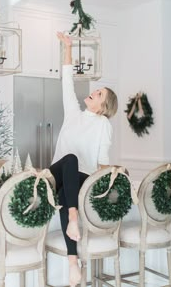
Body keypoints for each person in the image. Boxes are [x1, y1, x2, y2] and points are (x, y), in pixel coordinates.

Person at [49, 32, 118, 287]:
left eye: (98, 94)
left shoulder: (103, 125)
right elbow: (67, 80)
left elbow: (101, 160)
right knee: (69, 160)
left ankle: (72, 264)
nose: (93, 93)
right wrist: (67, 47)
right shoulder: (73, 114)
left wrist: (110, 179)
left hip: (80, 182)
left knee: (71, 187)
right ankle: (74, 219)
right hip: (56, 173)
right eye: (96, 90)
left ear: (102, 108)